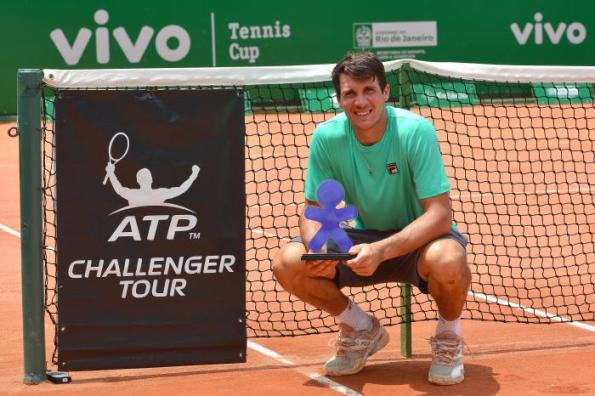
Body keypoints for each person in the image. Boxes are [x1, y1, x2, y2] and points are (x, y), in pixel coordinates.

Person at [272, 52, 471, 385]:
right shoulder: (327, 137)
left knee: (448, 259)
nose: (360, 101)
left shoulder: (415, 131)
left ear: (386, 92)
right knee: (288, 262)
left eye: (369, 90)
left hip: (419, 242)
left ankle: (449, 335)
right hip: (362, 241)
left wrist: (382, 251)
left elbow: (439, 215)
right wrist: (317, 247)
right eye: (350, 93)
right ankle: (360, 327)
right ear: (339, 99)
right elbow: (312, 209)